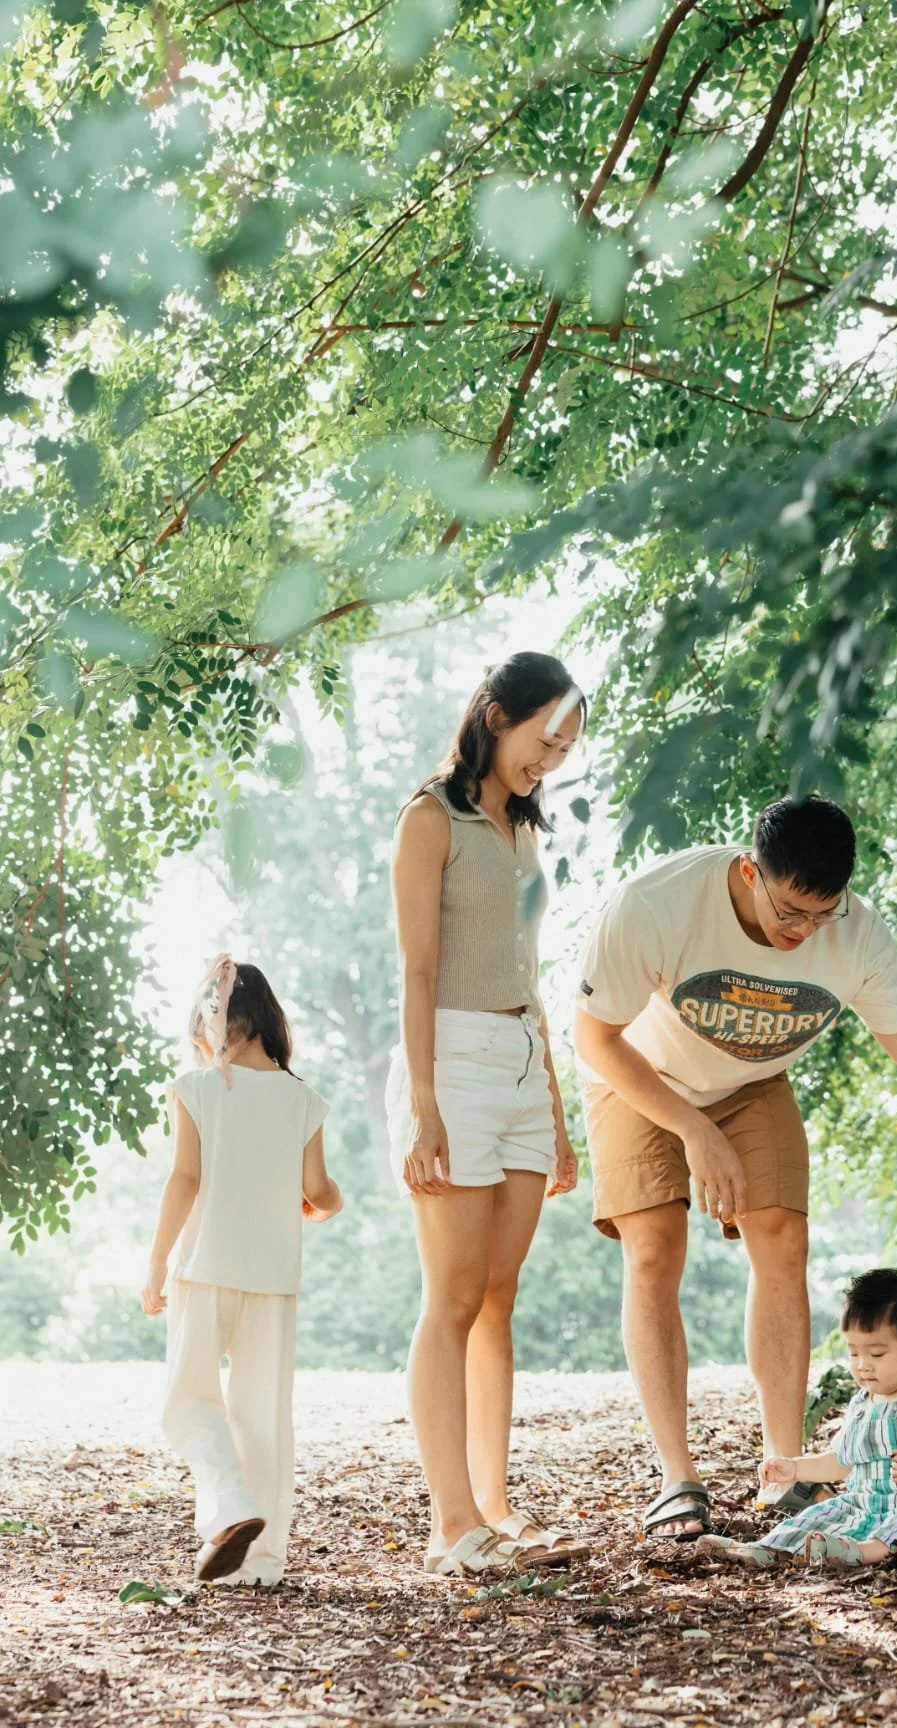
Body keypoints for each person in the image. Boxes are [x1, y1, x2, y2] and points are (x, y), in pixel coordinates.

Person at [574, 794, 897, 1540]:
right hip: (637, 1075)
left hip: (750, 1080)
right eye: (790, 911)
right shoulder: (657, 904)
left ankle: (783, 1468)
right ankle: (677, 1478)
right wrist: (695, 1132)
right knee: (656, 1248)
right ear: (747, 871)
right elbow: (595, 1040)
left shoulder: (853, 933)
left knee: (783, 1239)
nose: (804, 933)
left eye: (822, 915)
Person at [387, 651, 585, 1579]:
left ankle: (494, 1508)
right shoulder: (432, 819)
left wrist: (554, 1102)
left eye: (565, 747)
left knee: (498, 1299)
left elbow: (529, 977)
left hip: (519, 1061)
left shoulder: (522, 832)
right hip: (452, 1061)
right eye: (542, 738)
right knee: (454, 1297)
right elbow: (418, 972)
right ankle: (451, 1522)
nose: (550, 758)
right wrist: (424, 1106)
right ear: (496, 714)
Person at [141, 956, 342, 1587]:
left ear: (213, 1023)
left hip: (204, 1268)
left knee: (187, 1401)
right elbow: (318, 1189)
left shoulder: (197, 1089)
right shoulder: (302, 1098)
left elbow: (185, 1178)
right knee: (264, 1415)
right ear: (267, 1021)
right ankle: (262, 1563)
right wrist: (325, 1203)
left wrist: (156, 1261)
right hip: (274, 1276)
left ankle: (230, 1507)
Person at [702, 1268, 897, 1569]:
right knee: (816, 1516)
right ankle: (767, 1549)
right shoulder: (862, 1403)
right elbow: (840, 1461)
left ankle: (859, 1552)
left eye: (877, 1354)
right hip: (865, 1504)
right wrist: (794, 1468)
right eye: (854, 1354)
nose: (863, 1366)